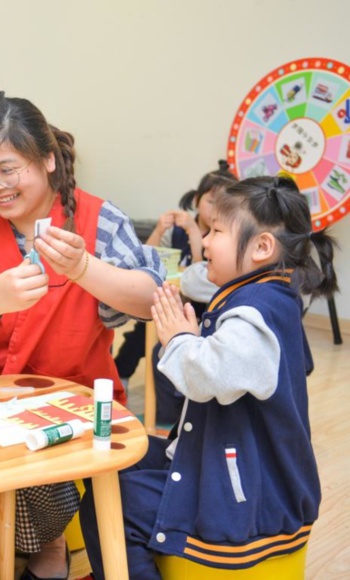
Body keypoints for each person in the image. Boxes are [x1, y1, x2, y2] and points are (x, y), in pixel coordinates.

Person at [0, 91, 164, 580]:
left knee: (121, 508)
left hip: (83, 410)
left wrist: (83, 268)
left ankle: (48, 549)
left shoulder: (97, 219)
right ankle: (41, 549)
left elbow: (149, 298)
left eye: (8, 169)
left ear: (48, 159)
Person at [80, 175, 335, 579]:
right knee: (118, 453)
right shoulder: (266, 296)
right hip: (224, 462)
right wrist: (195, 340)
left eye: (215, 230)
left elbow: (208, 377)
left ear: (262, 247)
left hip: (244, 498)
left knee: (107, 501)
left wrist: (180, 341)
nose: (206, 240)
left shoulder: (258, 311)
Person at [113, 162, 236, 424]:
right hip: (174, 299)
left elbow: (201, 273)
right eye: (211, 201)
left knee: (164, 349)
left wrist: (194, 232)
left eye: (223, 203)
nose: (215, 209)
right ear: (196, 199)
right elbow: (146, 258)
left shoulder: (225, 236)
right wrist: (159, 230)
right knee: (139, 334)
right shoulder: (178, 230)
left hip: (201, 310)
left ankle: (169, 418)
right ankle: (122, 378)